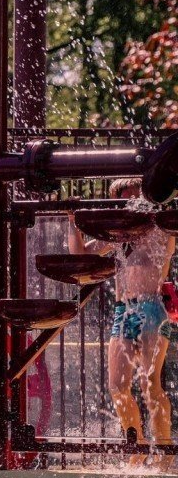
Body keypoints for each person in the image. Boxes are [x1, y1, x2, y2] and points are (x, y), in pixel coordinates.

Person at [69, 178, 178, 450]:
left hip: (152, 308)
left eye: (134, 197)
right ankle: (137, 446)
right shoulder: (118, 236)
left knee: (150, 384)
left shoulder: (158, 227)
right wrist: (72, 220)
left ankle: (164, 450)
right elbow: (79, 255)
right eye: (124, 199)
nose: (130, 204)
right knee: (117, 387)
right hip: (124, 311)